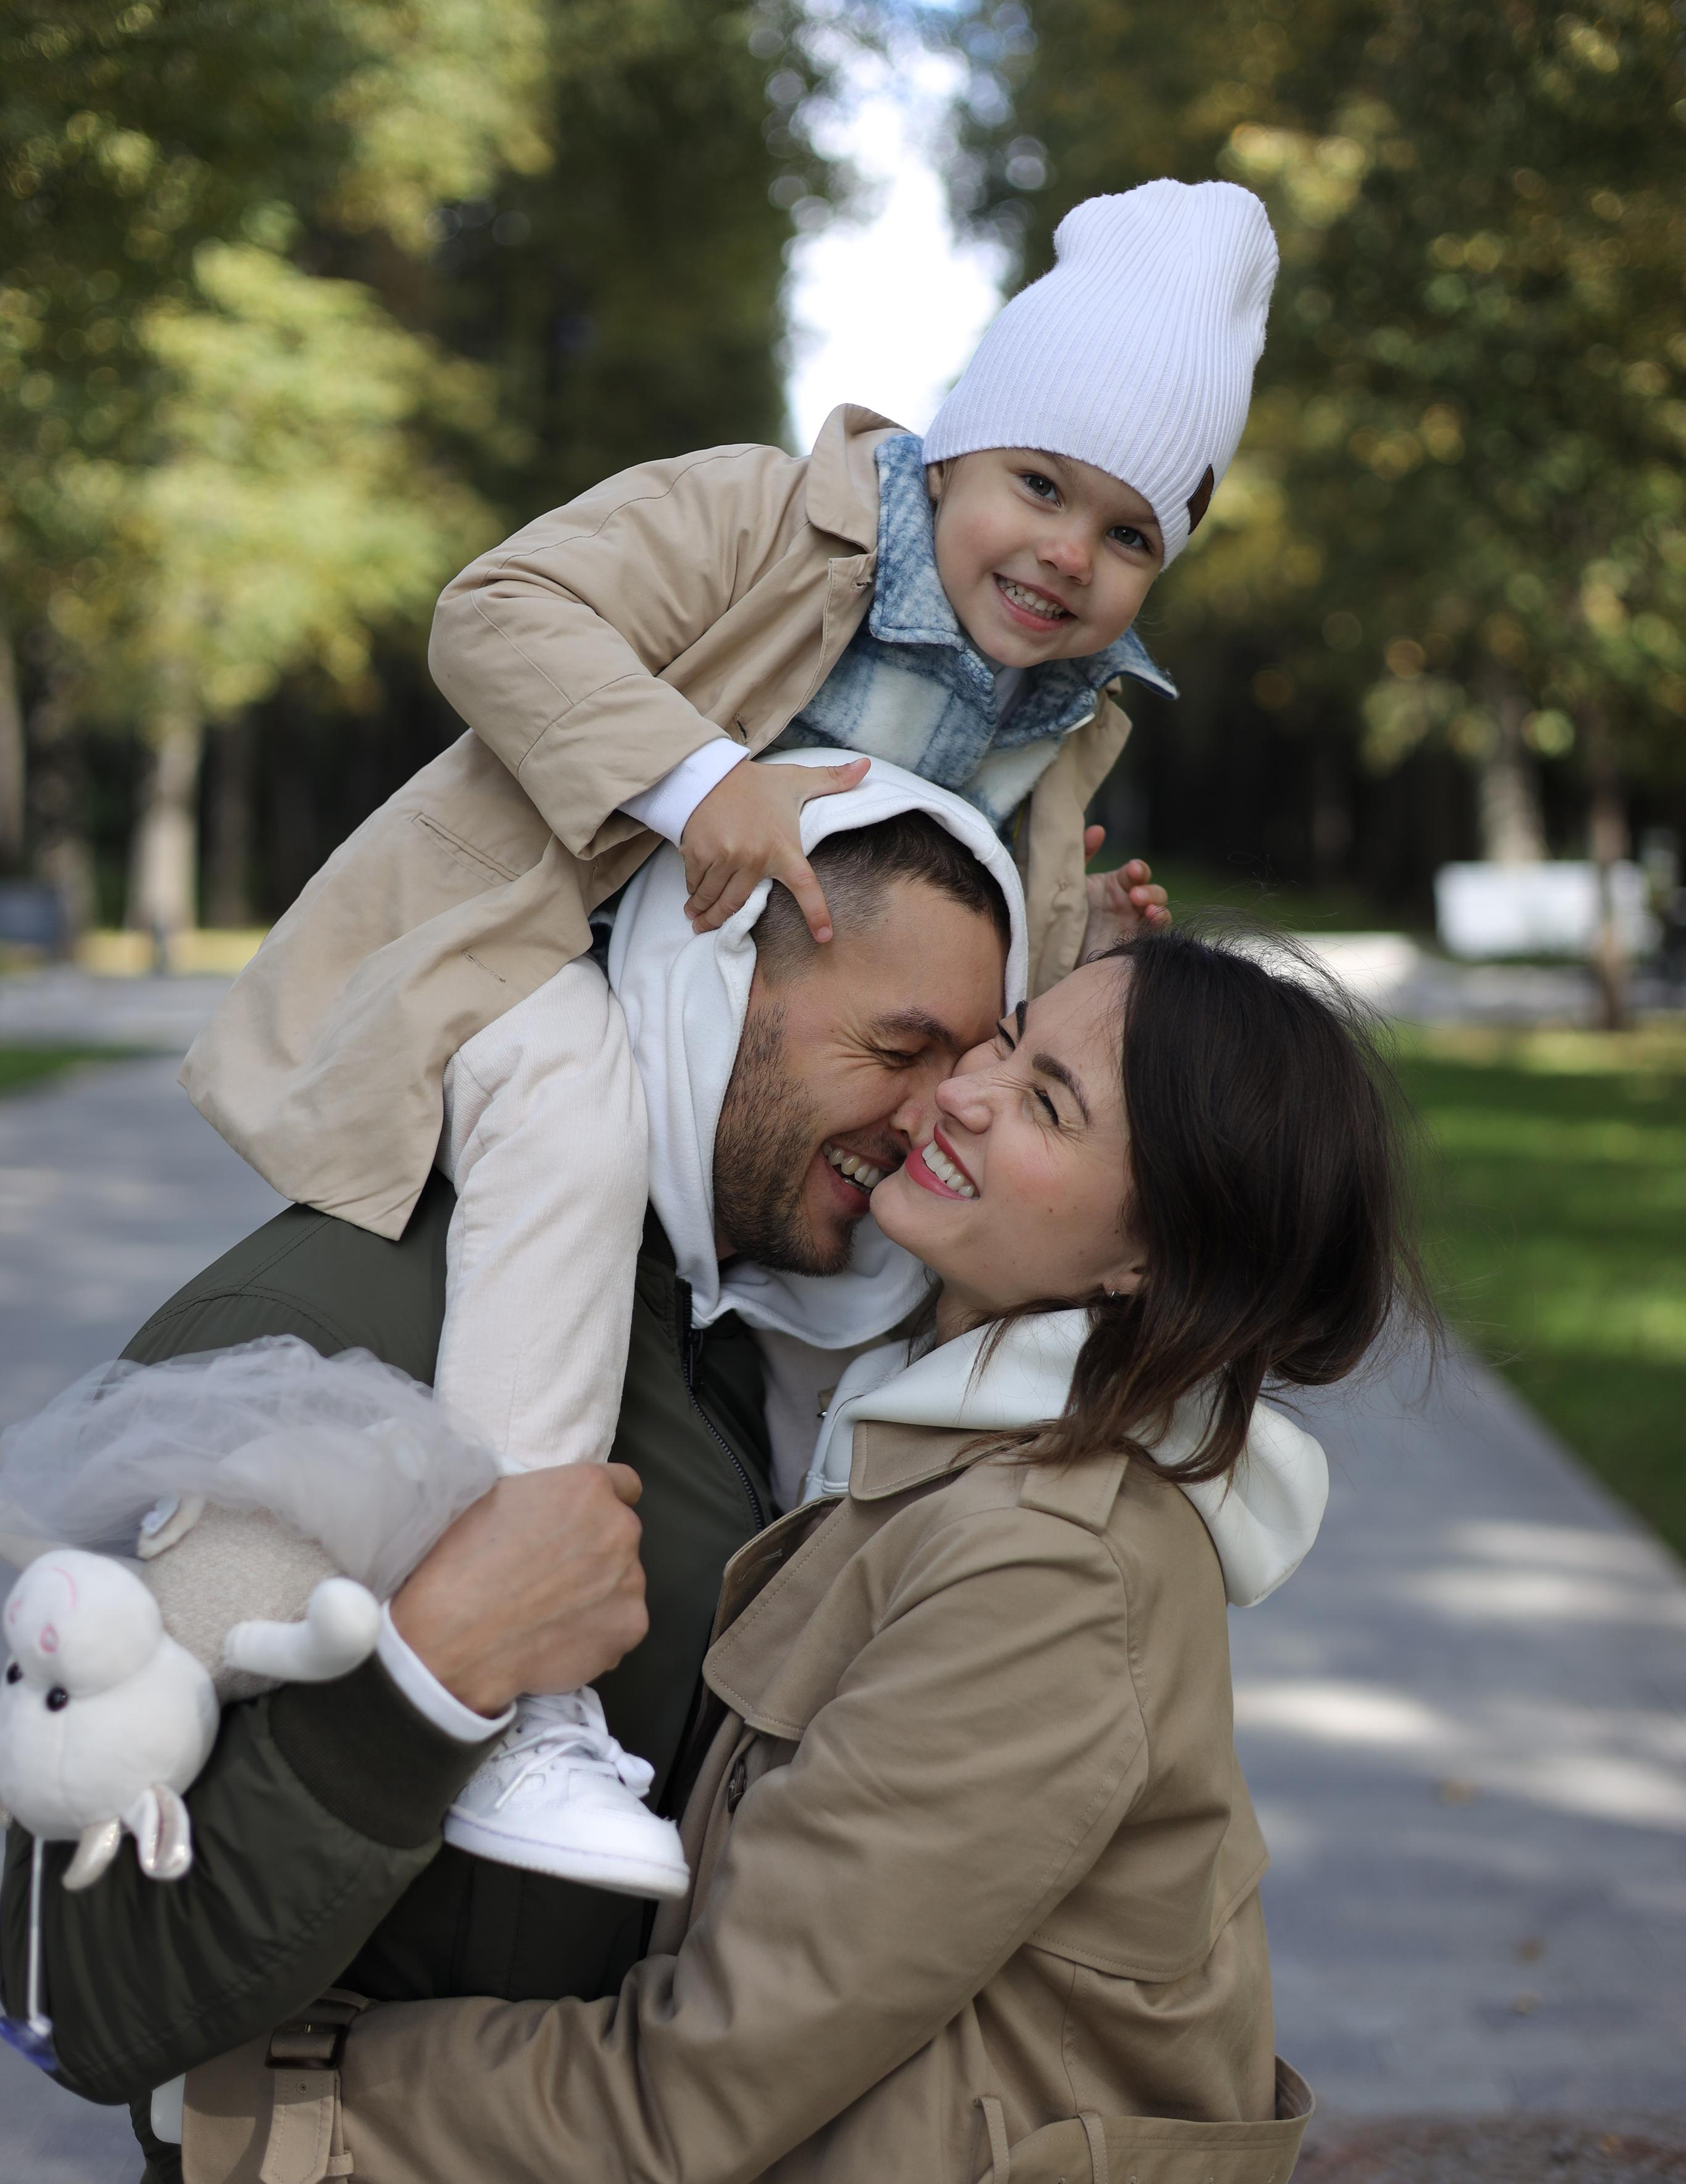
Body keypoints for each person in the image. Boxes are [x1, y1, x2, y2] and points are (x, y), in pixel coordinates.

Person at [174, 177, 1273, 1882]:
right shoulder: (766, 518)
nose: (1070, 549)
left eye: (1133, 533)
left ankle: (817, 1669)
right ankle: (523, 1705)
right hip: (551, 949)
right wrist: (701, 783)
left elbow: (961, 936)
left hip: (756, 1068)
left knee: (874, 1290)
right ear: (949, 458)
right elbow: (499, 612)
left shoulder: (1069, 719)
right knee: (571, 1136)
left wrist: (1077, 962)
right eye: (1041, 484)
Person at [168, 929, 1430, 2184]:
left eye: (1045, 1105)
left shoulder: (1046, 1574)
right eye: (1002, 1040)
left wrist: (252, 2093)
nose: (959, 1092)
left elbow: (693, 2087)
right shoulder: (937, 1441)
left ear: (1152, 1260)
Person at [1, 798, 1023, 2184]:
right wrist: (420, 1682)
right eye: (898, 1047)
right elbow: (65, 1978)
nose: (931, 1113)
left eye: (974, 1066)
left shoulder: (779, 1335)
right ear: (706, 987)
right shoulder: (333, 1321)